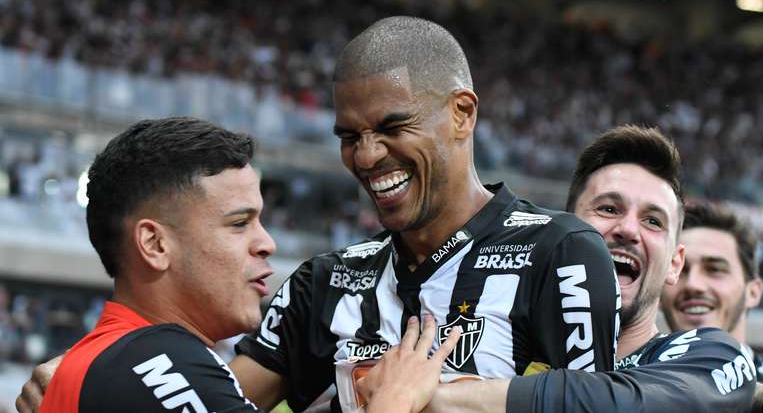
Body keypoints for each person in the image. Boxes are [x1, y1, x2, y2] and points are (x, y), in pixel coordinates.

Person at [229, 15, 619, 412]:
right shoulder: (323, 284)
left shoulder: (559, 254)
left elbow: (587, 405)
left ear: (462, 114)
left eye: (393, 127)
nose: (366, 155)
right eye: (350, 137)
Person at [18, 117, 456, 413]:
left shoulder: (107, 363)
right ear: (154, 243)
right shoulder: (160, 357)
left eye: (260, 220)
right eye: (239, 223)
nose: (266, 243)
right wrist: (393, 401)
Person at [396, 125, 757, 412]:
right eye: (608, 210)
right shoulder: (493, 344)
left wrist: (434, 397)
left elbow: (617, 402)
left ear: (673, 264)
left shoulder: (710, 355)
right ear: (562, 235)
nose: (628, 230)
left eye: (652, 221)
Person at [661, 201, 763, 384]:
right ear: (659, 295)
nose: (693, 284)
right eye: (681, 270)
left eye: (715, 269)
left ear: (752, 292)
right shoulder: (628, 388)